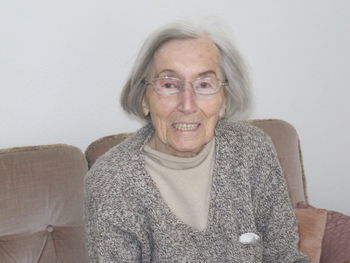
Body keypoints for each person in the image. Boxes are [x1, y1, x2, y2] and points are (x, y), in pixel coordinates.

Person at [85, 21, 308, 262]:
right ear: (144, 99)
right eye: (169, 85)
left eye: (204, 85)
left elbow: (284, 255)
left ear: (224, 99)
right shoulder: (112, 181)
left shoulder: (251, 148)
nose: (188, 104)